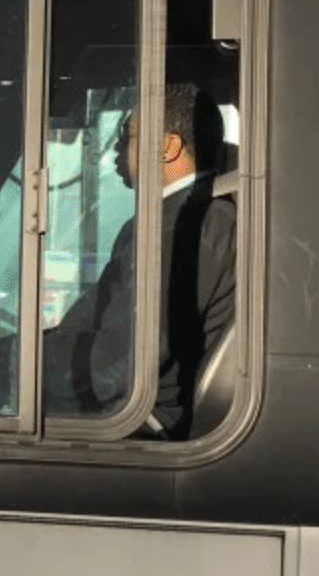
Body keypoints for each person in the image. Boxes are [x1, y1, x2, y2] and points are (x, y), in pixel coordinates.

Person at [42, 83, 236, 439]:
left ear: (168, 147)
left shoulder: (186, 230)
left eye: (126, 135)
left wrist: (10, 365)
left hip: (144, 422)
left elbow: (117, 366)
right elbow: (94, 325)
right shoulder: (176, 220)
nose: (116, 149)